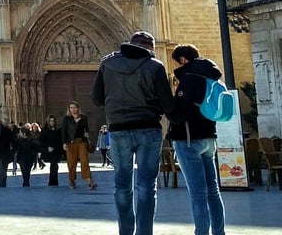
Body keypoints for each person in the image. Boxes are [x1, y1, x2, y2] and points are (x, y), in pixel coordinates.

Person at [92, 30, 175, 235]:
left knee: (122, 185)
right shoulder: (154, 66)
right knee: (147, 185)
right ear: (150, 48)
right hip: (148, 128)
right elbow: (167, 104)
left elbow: (96, 99)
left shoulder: (107, 64)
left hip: (118, 129)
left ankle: (125, 232)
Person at [166, 44, 226, 235]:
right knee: (213, 191)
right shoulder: (211, 75)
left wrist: (170, 110)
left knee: (198, 193)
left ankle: (201, 232)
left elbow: (180, 113)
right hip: (209, 138)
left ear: (183, 59)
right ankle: (219, 232)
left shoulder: (190, 78)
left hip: (189, 139)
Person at [62, 101, 96, 190]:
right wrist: (64, 143)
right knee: (71, 162)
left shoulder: (84, 118)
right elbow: (63, 131)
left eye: (74, 107)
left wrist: (87, 135)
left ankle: (89, 180)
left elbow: (86, 129)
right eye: (71, 108)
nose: (73, 109)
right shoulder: (67, 119)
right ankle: (72, 180)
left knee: (85, 160)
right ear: (69, 109)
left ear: (78, 108)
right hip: (70, 143)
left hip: (81, 142)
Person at [38, 115, 64, 186]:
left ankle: (54, 181)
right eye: (50, 121)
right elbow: (41, 141)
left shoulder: (57, 130)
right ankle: (52, 182)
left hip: (56, 150)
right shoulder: (45, 130)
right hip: (49, 151)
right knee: (54, 165)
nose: (52, 122)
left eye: (53, 121)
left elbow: (60, 140)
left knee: (55, 166)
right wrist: (47, 148)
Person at [16, 121, 39, 187]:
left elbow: (36, 147)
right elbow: (15, 148)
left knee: (27, 171)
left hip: (29, 158)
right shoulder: (19, 140)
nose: (19, 133)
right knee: (23, 171)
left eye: (20, 132)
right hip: (21, 158)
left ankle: (26, 182)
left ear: (24, 133)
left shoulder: (31, 140)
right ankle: (25, 182)